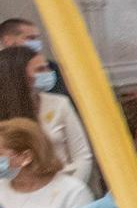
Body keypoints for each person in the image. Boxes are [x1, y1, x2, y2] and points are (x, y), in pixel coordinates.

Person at [0, 46, 92, 190]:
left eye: (47, 68)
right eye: (40, 70)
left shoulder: (60, 104)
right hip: (13, 194)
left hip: (64, 187)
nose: (49, 73)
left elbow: (82, 156)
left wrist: (70, 191)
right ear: (18, 76)